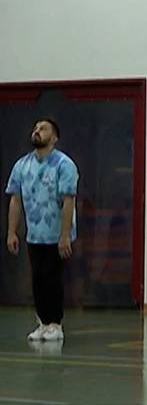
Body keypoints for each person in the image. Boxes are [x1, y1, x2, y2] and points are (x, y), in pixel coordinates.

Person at [5, 119, 78, 342]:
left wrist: (65, 234)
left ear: (54, 138)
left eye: (43, 128)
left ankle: (55, 323)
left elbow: (68, 200)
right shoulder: (22, 165)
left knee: (51, 278)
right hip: (34, 234)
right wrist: (12, 231)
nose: (37, 131)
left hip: (56, 234)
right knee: (37, 278)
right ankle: (43, 322)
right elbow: (16, 200)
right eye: (35, 128)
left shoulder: (64, 165)